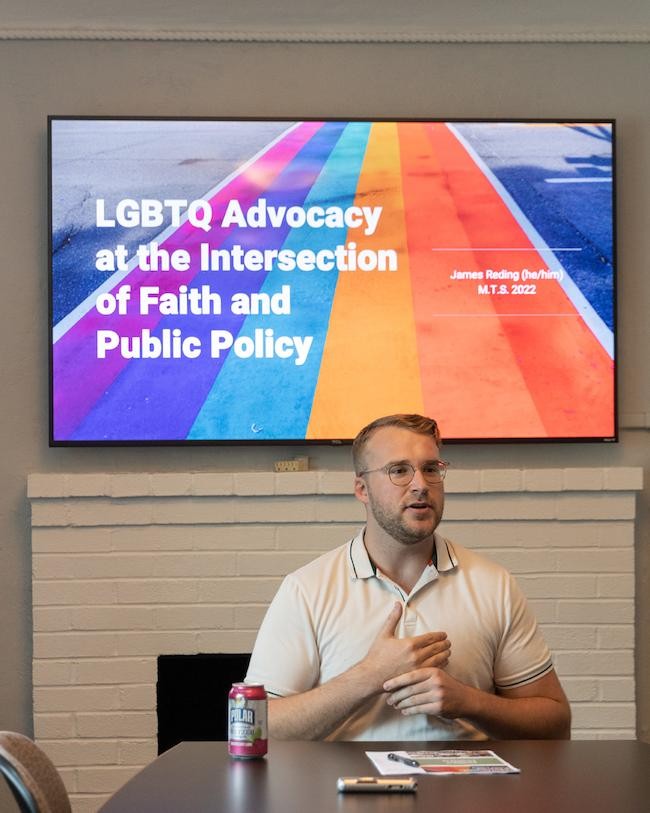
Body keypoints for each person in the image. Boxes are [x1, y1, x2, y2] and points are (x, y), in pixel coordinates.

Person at [245, 413, 571, 741]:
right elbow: (257, 728)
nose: (420, 484)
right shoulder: (306, 590)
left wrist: (469, 702)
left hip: (470, 790)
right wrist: (367, 677)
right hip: (346, 789)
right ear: (362, 488)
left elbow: (555, 724)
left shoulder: (493, 585)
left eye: (431, 469)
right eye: (399, 471)